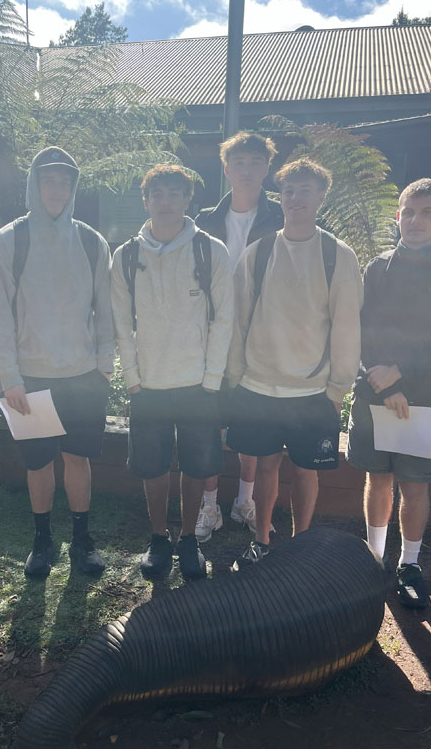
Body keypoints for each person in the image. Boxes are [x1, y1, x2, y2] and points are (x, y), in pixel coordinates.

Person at [0, 146, 114, 579]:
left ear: (74, 187)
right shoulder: (8, 241)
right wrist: (10, 378)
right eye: (48, 179)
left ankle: (82, 539)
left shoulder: (92, 242)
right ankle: (42, 541)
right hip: (30, 377)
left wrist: (104, 366)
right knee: (38, 463)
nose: (57, 189)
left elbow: (106, 311)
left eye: (65, 181)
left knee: (78, 458)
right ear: (33, 185)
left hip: (83, 376)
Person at [226, 158, 363, 564]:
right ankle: (262, 540)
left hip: (313, 391)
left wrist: (338, 389)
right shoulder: (259, 252)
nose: (295, 198)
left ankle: (300, 546)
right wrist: (235, 376)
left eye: (305, 190)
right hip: (258, 386)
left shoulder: (338, 255)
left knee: (306, 470)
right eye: (288, 190)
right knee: (265, 467)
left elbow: (347, 327)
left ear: (321, 196)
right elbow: (237, 319)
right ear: (279, 196)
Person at [347, 178, 431, 609]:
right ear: (398, 215)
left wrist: (400, 377)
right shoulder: (378, 267)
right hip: (375, 394)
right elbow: (361, 331)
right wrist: (384, 385)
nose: (416, 221)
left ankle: (409, 565)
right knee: (377, 479)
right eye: (409, 212)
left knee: (414, 485)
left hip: (424, 399)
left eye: (426, 212)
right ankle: (374, 558)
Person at [110, 165, 233, 580]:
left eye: (174, 193)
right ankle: (159, 538)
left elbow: (224, 318)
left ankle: (189, 541)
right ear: (145, 201)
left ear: (188, 199)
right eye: (157, 194)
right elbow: (121, 322)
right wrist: (132, 378)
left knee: (197, 466)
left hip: (199, 384)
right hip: (148, 384)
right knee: (153, 466)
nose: (165, 202)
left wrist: (212, 379)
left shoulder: (210, 250)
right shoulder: (126, 256)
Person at [194, 131, 283, 542]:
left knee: (250, 422)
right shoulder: (204, 220)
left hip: (260, 334)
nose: (247, 170)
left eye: (255, 162)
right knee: (210, 422)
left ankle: (244, 501)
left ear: (267, 168)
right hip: (211, 334)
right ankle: (209, 505)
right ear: (226, 169)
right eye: (239, 163)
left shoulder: (281, 218)